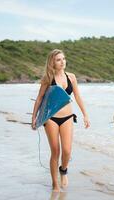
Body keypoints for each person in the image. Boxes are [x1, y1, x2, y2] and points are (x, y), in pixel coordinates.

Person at [31, 49, 90, 192]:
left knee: (67, 150)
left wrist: (85, 114)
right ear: (52, 62)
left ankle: (63, 170)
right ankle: (55, 184)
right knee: (55, 151)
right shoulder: (48, 78)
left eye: (63, 59)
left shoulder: (72, 77)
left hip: (68, 117)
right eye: (58, 59)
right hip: (51, 118)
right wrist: (34, 117)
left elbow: (77, 96)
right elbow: (39, 98)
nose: (62, 62)